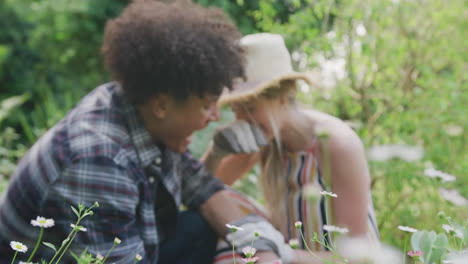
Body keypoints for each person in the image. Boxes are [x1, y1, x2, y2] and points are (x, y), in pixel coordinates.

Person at [0, 3, 299, 264]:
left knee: (199, 228)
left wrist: (260, 250)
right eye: (207, 106)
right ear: (162, 105)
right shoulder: (99, 162)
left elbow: (204, 189)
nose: (215, 117)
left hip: (130, 246)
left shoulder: (145, 111)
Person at [203, 33, 380, 263]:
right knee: (223, 204)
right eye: (235, 108)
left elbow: (356, 254)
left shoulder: (337, 145)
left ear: (283, 97)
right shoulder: (264, 138)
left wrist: (282, 253)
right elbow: (202, 191)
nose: (240, 118)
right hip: (287, 255)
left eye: (249, 107)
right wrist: (216, 153)